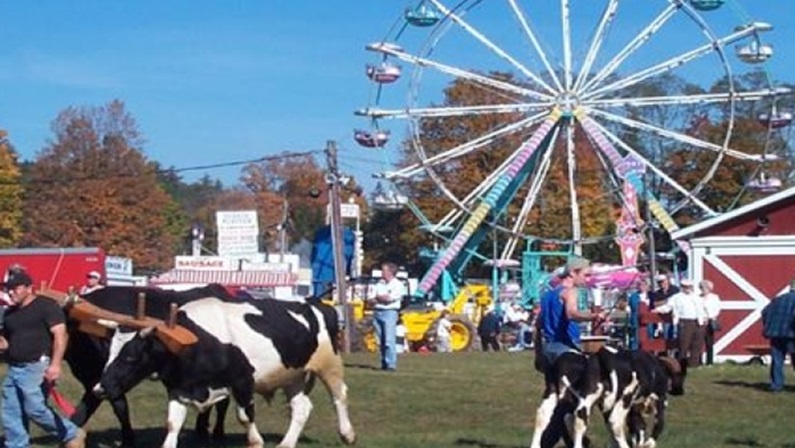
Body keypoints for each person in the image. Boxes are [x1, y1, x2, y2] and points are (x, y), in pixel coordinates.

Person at [0, 271, 86, 448]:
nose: (10, 292)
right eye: (8, 289)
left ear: (29, 288)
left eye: (14, 288)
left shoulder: (46, 306)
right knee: (10, 411)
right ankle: (16, 444)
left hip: (36, 367)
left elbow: (60, 335)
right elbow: (8, 342)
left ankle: (71, 433)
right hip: (14, 368)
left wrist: (55, 365)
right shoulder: (9, 314)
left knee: (35, 409)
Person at [536, 257, 607, 368]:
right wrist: (594, 316)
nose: (587, 280)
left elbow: (537, 326)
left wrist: (538, 353)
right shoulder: (570, 292)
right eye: (586, 275)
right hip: (566, 349)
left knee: (554, 385)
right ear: (573, 273)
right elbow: (571, 313)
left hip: (548, 350)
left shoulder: (547, 295)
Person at [653, 279, 706, 367]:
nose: (688, 289)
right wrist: (657, 310)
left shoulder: (697, 297)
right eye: (686, 287)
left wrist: (705, 318)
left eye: (689, 287)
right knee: (683, 344)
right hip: (684, 321)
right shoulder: (676, 297)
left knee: (697, 344)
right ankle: (681, 363)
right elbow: (668, 307)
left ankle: (694, 364)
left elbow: (702, 309)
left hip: (698, 321)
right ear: (682, 287)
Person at [761, 279, 795, 392]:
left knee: (777, 360)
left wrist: (769, 325)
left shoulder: (778, 299)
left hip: (776, 334)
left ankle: (776, 386)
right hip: (792, 334)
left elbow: (764, 312)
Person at [372, 262, 405, 371]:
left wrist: (379, 298)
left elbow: (389, 299)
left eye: (384, 270)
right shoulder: (379, 283)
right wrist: (380, 298)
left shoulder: (398, 285)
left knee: (389, 340)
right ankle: (384, 363)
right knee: (380, 340)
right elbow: (372, 298)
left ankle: (391, 364)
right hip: (377, 312)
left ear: (390, 272)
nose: (382, 272)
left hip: (390, 312)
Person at [700, 280, 721, 365]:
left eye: (704, 288)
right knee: (699, 343)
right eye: (701, 287)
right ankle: (699, 361)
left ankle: (709, 362)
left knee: (709, 343)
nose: (703, 289)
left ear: (709, 289)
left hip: (709, 321)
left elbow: (717, 309)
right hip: (700, 321)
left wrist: (709, 317)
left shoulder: (714, 297)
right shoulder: (698, 297)